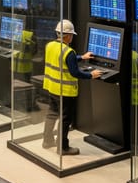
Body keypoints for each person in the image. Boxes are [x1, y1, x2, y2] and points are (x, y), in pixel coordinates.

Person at [41, 20, 102, 155]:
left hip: (52, 87)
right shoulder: (69, 51)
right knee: (65, 119)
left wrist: (82, 57)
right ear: (68, 36)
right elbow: (75, 72)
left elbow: (62, 59)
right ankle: (62, 147)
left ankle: (47, 140)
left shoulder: (50, 46)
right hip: (65, 91)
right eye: (71, 35)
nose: (72, 37)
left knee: (51, 114)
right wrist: (91, 75)